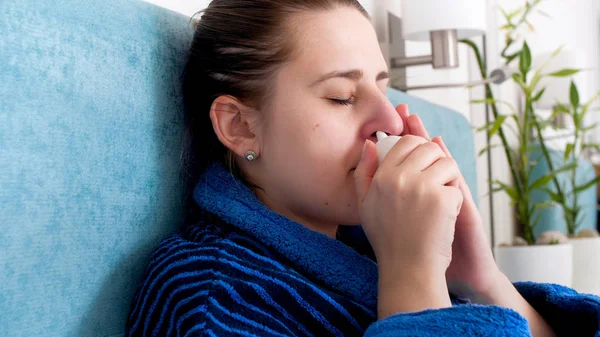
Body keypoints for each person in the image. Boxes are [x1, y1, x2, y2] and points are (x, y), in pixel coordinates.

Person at [125, 0, 600, 336]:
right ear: (241, 127)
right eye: (341, 97)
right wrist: (410, 273)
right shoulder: (210, 299)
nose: (391, 120)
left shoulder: (369, 246)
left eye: (382, 87)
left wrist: (480, 279)